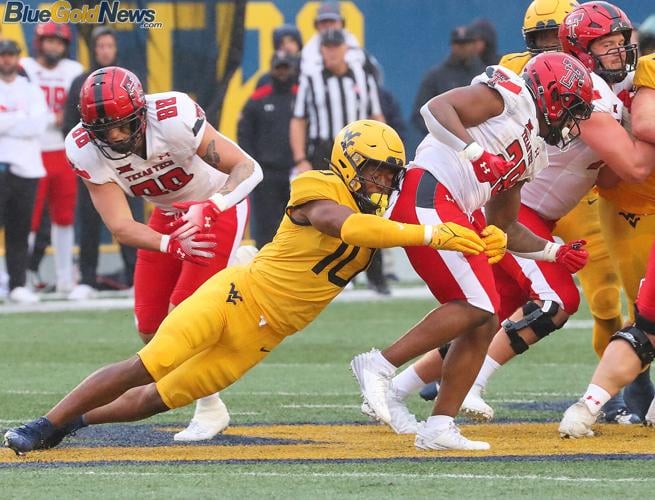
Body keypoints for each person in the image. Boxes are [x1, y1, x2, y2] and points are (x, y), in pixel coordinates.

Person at [2, 119, 495, 454]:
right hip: (238, 297)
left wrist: (480, 234)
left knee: (158, 398)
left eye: (390, 173)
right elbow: (349, 228)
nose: (382, 181)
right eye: (374, 170)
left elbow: (412, 231)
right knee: (149, 364)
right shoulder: (316, 187)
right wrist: (431, 232)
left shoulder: (383, 213)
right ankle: (43, 424)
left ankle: (71, 424)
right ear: (347, 162)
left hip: (265, 335)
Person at [404, 0, 655, 426]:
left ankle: (396, 385)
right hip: (518, 208)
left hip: (538, 208)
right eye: (605, 45)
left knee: (488, 310)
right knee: (559, 300)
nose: (618, 53)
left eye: (620, 44)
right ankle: (473, 384)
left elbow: (612, 180)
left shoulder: (606, 84)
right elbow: (633, 165)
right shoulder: (582, 89)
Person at [350, 51, 595, 450]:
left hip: (455, 209)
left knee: (486, 319)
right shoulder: (510, 97)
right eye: (572, 109)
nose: (572, 122)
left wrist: (553, 253)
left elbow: (504, 226)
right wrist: (475, 153)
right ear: (551, 96)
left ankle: (439, 427)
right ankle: (378, 365)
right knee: (477, 305)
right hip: (428, 190)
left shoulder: (534, 150)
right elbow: (436, 109)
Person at [61, 66, 263, 442]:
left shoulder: (174, 117)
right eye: (103, 131)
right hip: (168, 216)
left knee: (184, 314)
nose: (115, 137)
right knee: (150, 325)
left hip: (214, 205)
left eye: (121, 126)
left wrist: (214, 206)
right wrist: (170, 243)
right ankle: (239, 265)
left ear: (141, 113)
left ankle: (209, 407)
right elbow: (121, 227)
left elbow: (248, 168)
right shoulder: (84, 149)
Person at [559, 50, 655, 436]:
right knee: (637, 317)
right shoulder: (604, 86)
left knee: (645, 325)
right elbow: (643, 131)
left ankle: (587, 407)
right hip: (622, 206)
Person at [62, 26, 143, 300]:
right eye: (100, 46)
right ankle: (87, 278)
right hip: (95, 162)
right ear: (94, 49)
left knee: (131, 218)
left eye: (109, 45)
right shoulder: (80, 82)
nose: (105, 50)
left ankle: (135, 275)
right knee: (90, 220)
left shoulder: (126, 80)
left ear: (115, 48)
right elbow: (69, 127)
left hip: (126, 162)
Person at [21, 21, 83, 295]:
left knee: (64, 217)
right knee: (28, 219)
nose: (54, 46)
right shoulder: (25, 68)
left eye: (59, 42)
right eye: (50, 41)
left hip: (63, 150)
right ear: (39, 42)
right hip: (32, 151)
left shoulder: (73, 71)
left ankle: (65, 277)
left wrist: (63, 119)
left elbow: (76, 110)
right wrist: (49, 118)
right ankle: (20, 276)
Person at [290, 29, 383, 173]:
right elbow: (298, 120)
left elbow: (376, 117)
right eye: (327, 47)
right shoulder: (311, 79)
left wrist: (379, 152)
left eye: (336, 46)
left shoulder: (363, 78)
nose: (332, 52)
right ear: (321, 50)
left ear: (346, 48)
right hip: (322, 153)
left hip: (358, 152)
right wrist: (300, 159)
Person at [0, 39, 49, 304]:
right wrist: (21, 119)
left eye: (10, 55)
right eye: (2, 55)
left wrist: (8, 122)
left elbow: (38, 126)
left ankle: (17, 284)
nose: (6, 60)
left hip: (27, 169)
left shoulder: (30, 89)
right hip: (2, 167)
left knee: (19, 231)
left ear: (17, 58)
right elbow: (27, 123)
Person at [238, 51, 298, 248]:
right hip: (267, 173)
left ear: (292, 69)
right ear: (271, 69)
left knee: (298, 223)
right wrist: (253, 165)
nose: (282, 72)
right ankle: (266, 267)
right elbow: (244, 133)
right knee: (266, 225)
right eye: (278, 68)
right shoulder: (258, 99)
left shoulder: (302, 95)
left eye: (285, 68)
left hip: (296, 170)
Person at [411, 26, 485, 135]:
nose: (462, 47)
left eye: (466, 43)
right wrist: (441, 134)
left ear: (474, 45)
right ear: (452, 45)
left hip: (482, 138)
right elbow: (420, 114)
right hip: (446, 140)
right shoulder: (436, 76)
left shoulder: (484, 73)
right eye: (458, 43)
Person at [300, 1, 366, 73]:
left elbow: (358, 64)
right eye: (324, 22)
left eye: (332, 21)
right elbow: (308, 69)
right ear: (316, 26)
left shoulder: (351, 40)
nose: (328, 26)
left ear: (341, 23)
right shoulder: (310, 46)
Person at [254, 24, 302, 89]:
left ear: (299, 45)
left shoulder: (309, 76)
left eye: (291, 41)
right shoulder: (265, 80)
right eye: (282, 43)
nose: (287, 46)